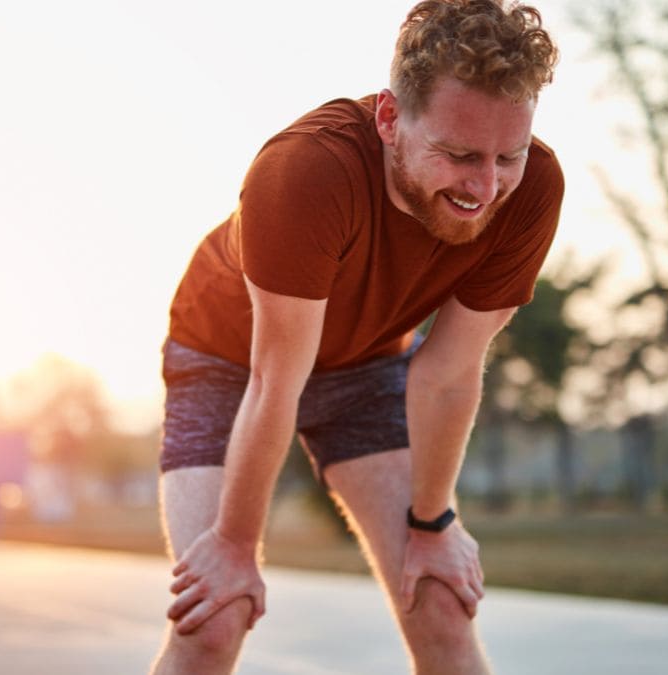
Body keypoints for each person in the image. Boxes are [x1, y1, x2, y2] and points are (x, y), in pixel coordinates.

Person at [151, 1, 561, 673]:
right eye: (459, 155)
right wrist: (233, 542)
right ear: (390, 119)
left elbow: (449, 372)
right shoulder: (306, 170)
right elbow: (273, 380)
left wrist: (433, 524)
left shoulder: (532, 189)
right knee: (213, 618)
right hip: (231, 357)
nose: (485, 188)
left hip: (366, 364)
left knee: (439, 599)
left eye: (506, 156)